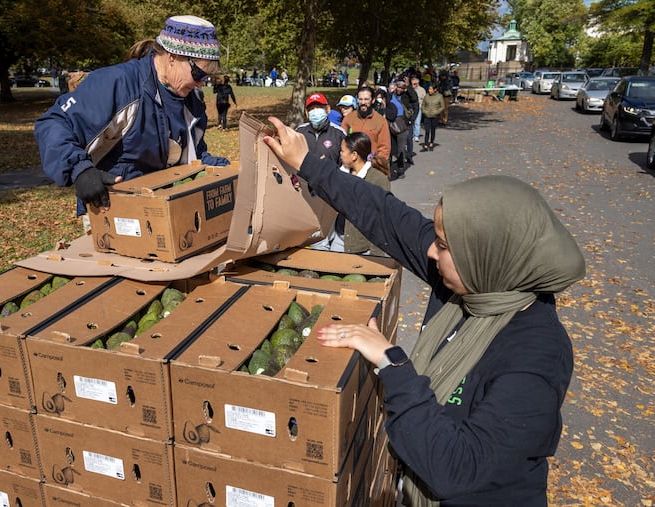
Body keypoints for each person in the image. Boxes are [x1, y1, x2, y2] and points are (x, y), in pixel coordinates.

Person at [262, 115, 586, 506]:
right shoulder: (473, 281)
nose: (432, 252)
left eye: (445, 246)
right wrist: (308, 164)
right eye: (436, 239)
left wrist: (393, 365)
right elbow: (385, 214)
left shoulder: (536, 354)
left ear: (487, 256)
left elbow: (457, 468)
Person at [35, 15, 230, 217]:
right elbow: (54, 123)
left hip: (160, 212)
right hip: (110, 211)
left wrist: (231, 170)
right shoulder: (118, 84)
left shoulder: (191, 101)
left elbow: (194, 157)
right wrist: (81, 171)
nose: (201, 83)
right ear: (172, 57)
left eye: (207, 77)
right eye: (198, 74)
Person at [312, 131, 390, 256]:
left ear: (354, 155)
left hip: (362, 247)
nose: (340, 154)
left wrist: (378, 254)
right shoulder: (340, 174)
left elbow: (381, 218)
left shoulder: (377, 180)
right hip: (338, 239)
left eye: (342, 151)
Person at [341, 86, 391, 163]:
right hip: (352, 164)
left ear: (373, 100)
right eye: (360, 99)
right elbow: (341, 140)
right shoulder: (349, 118)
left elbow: (384, 148)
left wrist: (377, 166)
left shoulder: (381, 121)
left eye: (366, 99)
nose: (363, 102)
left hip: (371, 165)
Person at [295, 92, 345, 165]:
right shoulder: (300, 131)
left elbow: (345, 164)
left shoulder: (339, 134)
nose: (315, 111)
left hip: (330, 176)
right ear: (307, 113)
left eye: (319, 107)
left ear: (328, 109)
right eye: (312, 109)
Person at [421, 82, 445, 152]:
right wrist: (424, 111)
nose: (429, 90)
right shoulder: (426, 96)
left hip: (434, 116)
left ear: (435, 89)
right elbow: (423, 105)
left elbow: (442, 106)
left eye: (431, 89)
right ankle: (425, 145)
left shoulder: (439, 96)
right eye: (429, 89)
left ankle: (431, 143)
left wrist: (436, 112)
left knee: (433, 130)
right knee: (427, 131)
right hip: (427, 116)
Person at [411, 76, 426, 142]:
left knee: (417, 122)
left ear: (418, 83)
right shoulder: (410, 89)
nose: (413, 85)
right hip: (411, 108)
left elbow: (425, 99)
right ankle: (411, 135)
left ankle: (416, 135)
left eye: (414, 84)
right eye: (412, 84)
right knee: (411, 122)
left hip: (418, 108)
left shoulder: (422, 90)